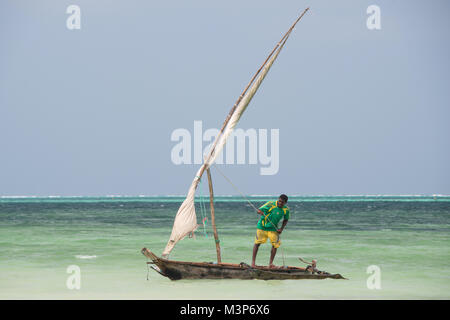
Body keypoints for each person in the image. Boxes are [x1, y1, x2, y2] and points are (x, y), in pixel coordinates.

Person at [251, 194, 289, 268]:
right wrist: (260, 212)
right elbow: (259, 210)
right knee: (257, 243)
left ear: (285, 203)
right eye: (279, 201)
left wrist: (281, 228)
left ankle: (270, 264)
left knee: (275, 245)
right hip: (262, 227)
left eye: (282, 202)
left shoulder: (286, 210)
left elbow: (286, 219)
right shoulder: (270, 204)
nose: (280, 203)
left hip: (273, 229)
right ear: (278, 199)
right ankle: (253, 263)